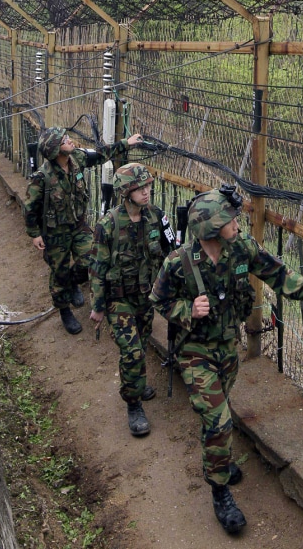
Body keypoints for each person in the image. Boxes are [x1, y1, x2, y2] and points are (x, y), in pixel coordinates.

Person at [149, 184, 303, 535]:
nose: (237, 223)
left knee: (219, 412)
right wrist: (187, 310)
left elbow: (279, 275)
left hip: (227, 348)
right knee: (218, 420)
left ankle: (219, 456)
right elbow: (159, 300)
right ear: (210, 227)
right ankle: (220, 490)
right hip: (194, 352)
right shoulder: (178, 263)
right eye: (229, 220)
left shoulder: (242, 249)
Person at [24, 126, 143, 335]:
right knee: (58, 273)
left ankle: (72, 282)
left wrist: (126, 143)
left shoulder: (77, 159)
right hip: (55, 234)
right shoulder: (42, 177)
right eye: (64, 140)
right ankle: (64, 310)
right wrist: (34, 234)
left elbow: (100, 155)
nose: (70, 140)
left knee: (92, 260)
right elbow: (30, 207)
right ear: (54, 150)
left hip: (78, 226)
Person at [89, 163, 175, 436]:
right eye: (140, 188)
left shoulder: (156, 217)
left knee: (143, 340)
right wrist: (99, 306)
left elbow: (169, 251)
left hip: (145, 298)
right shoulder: (108, 225)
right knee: (132, 351)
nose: (146, 192)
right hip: (119, 300)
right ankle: (133, 403)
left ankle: (137, 383)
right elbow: (98, 268)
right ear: (126, 192)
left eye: (148, 186)